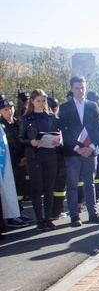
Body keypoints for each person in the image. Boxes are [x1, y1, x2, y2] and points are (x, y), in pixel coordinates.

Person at [57, 76, 99, 227]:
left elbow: (98, 129)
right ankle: (74, 215)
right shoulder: (65, 107)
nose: (80, 91)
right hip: (73, 153)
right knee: (72, 184)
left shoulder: (93, 106)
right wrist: (78, 148)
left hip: (90, 151)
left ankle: (92, 213)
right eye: (77, 88)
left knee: (89, 183)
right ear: (71, 89)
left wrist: (91, 147)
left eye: (83, 88)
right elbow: (64, 130)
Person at [18, 90, 62, 232]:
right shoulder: (26, 119)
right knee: (37, 189)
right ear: (32, 101)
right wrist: (31, 142)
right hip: (34, 156)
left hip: (50, 154)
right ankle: (40, 220)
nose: (42, 104)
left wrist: (58, 142)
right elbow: (21, 138)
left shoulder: (51, 117)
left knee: (49, 188)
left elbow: (59, 134)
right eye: (38, 101)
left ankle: (48, 218)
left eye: (43, 101)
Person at [0, 97, 34, 228]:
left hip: (23, 161)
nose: (10, 111)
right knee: (10, 189)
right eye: (5, 109)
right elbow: (6, 148)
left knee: (20, 189)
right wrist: (17, 160)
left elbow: (25, 140)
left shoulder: (18, 123)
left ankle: (19, 212)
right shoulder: (1, 126)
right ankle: (11, 217)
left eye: (11, 108)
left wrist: (25, 158)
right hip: (10, 164)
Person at [47, 96, 67, 220]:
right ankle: (57, 211)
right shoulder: (57, 120)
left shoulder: (43, 120)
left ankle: (52, 211)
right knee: (58, 185)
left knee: (53, 185)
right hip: (57, 155)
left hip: (51, 155)